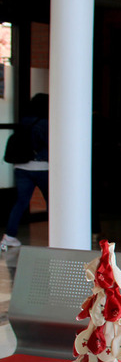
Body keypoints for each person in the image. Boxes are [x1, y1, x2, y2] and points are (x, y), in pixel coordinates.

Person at [3, 93, 50, 247]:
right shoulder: (44, 123)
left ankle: (9, 236)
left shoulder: (24, 121)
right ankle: (56, 234)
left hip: (21, 167)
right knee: (52, 202)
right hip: (41, 167)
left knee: (21, 202)